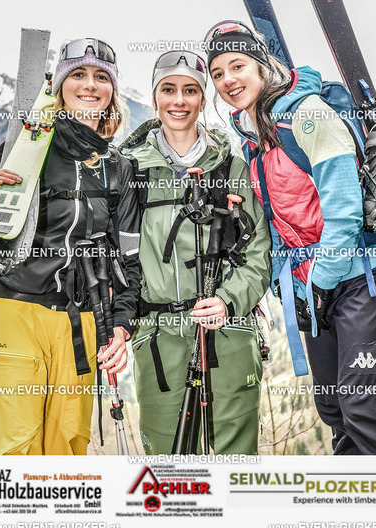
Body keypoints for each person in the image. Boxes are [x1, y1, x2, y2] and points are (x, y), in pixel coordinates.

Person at [204, 20, 376, 456]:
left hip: (361, 278)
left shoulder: (307, 115)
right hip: (312, 286)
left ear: (261, 64)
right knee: (334, 407)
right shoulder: (254, 136)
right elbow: (278, 219)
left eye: (237, 65)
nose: (228, 80)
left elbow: (343, 212)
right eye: (218, 73)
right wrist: (285, 283)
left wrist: (319, 283)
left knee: (364, 406)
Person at [0, 38, 141, 455]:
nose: (90, 85)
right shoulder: (22, 149)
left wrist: (122, 324)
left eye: (101, 77)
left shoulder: (119, 168)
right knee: (12, 447)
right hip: (13, 312)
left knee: (68, 449)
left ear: (112, 91)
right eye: (78, 74)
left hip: (83, 322)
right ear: (59, 86)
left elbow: (130, 259)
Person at [119, 50, 271, 454]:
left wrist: (228, 300)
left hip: (229, 334)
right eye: (168, 89)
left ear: (203, 100)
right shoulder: (129, 170)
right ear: (155, 98)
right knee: (167, 469)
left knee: (234, 466)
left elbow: (259, 252)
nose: (179, 100)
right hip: (158, 340)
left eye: (190, 91)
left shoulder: (231, 168)